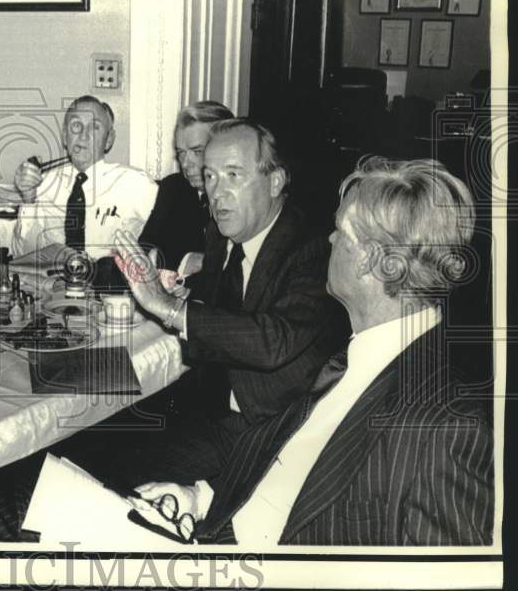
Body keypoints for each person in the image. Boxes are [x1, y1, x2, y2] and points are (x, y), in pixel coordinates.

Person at [128, 157, 493, 547]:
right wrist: (201, 498)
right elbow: (296, 473)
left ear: (372, 260)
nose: (330, 241)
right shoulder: (359, 355)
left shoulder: (447, 426)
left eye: (340, 231)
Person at [112, 118, 348, 482]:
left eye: (233, 175)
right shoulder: (219, 235)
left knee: (118, 477)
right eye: (210, 176)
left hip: (274, 437)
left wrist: (171, 307)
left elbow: (272, 340)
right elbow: (217, 322)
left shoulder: (313, 248)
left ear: (275, 182)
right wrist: (184, 299)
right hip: (211, 408)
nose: (216, 192)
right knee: (101, 439)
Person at [11, 95, 156, 264]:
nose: (83, 135)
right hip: (52, 286)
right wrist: (29, 199)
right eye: (76, 126)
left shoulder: (136, 184)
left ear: (109, 140)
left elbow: (172, 238)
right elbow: (22, 257)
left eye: (94, 127)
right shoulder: (43, 184)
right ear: (65, 136)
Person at [138, 100, 233, 273]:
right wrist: (188, 260)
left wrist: (207, 262)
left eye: (198, 151)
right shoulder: (173, 188)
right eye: (181, 152)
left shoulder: (240, 194)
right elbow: (144, 252)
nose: (186, 163)